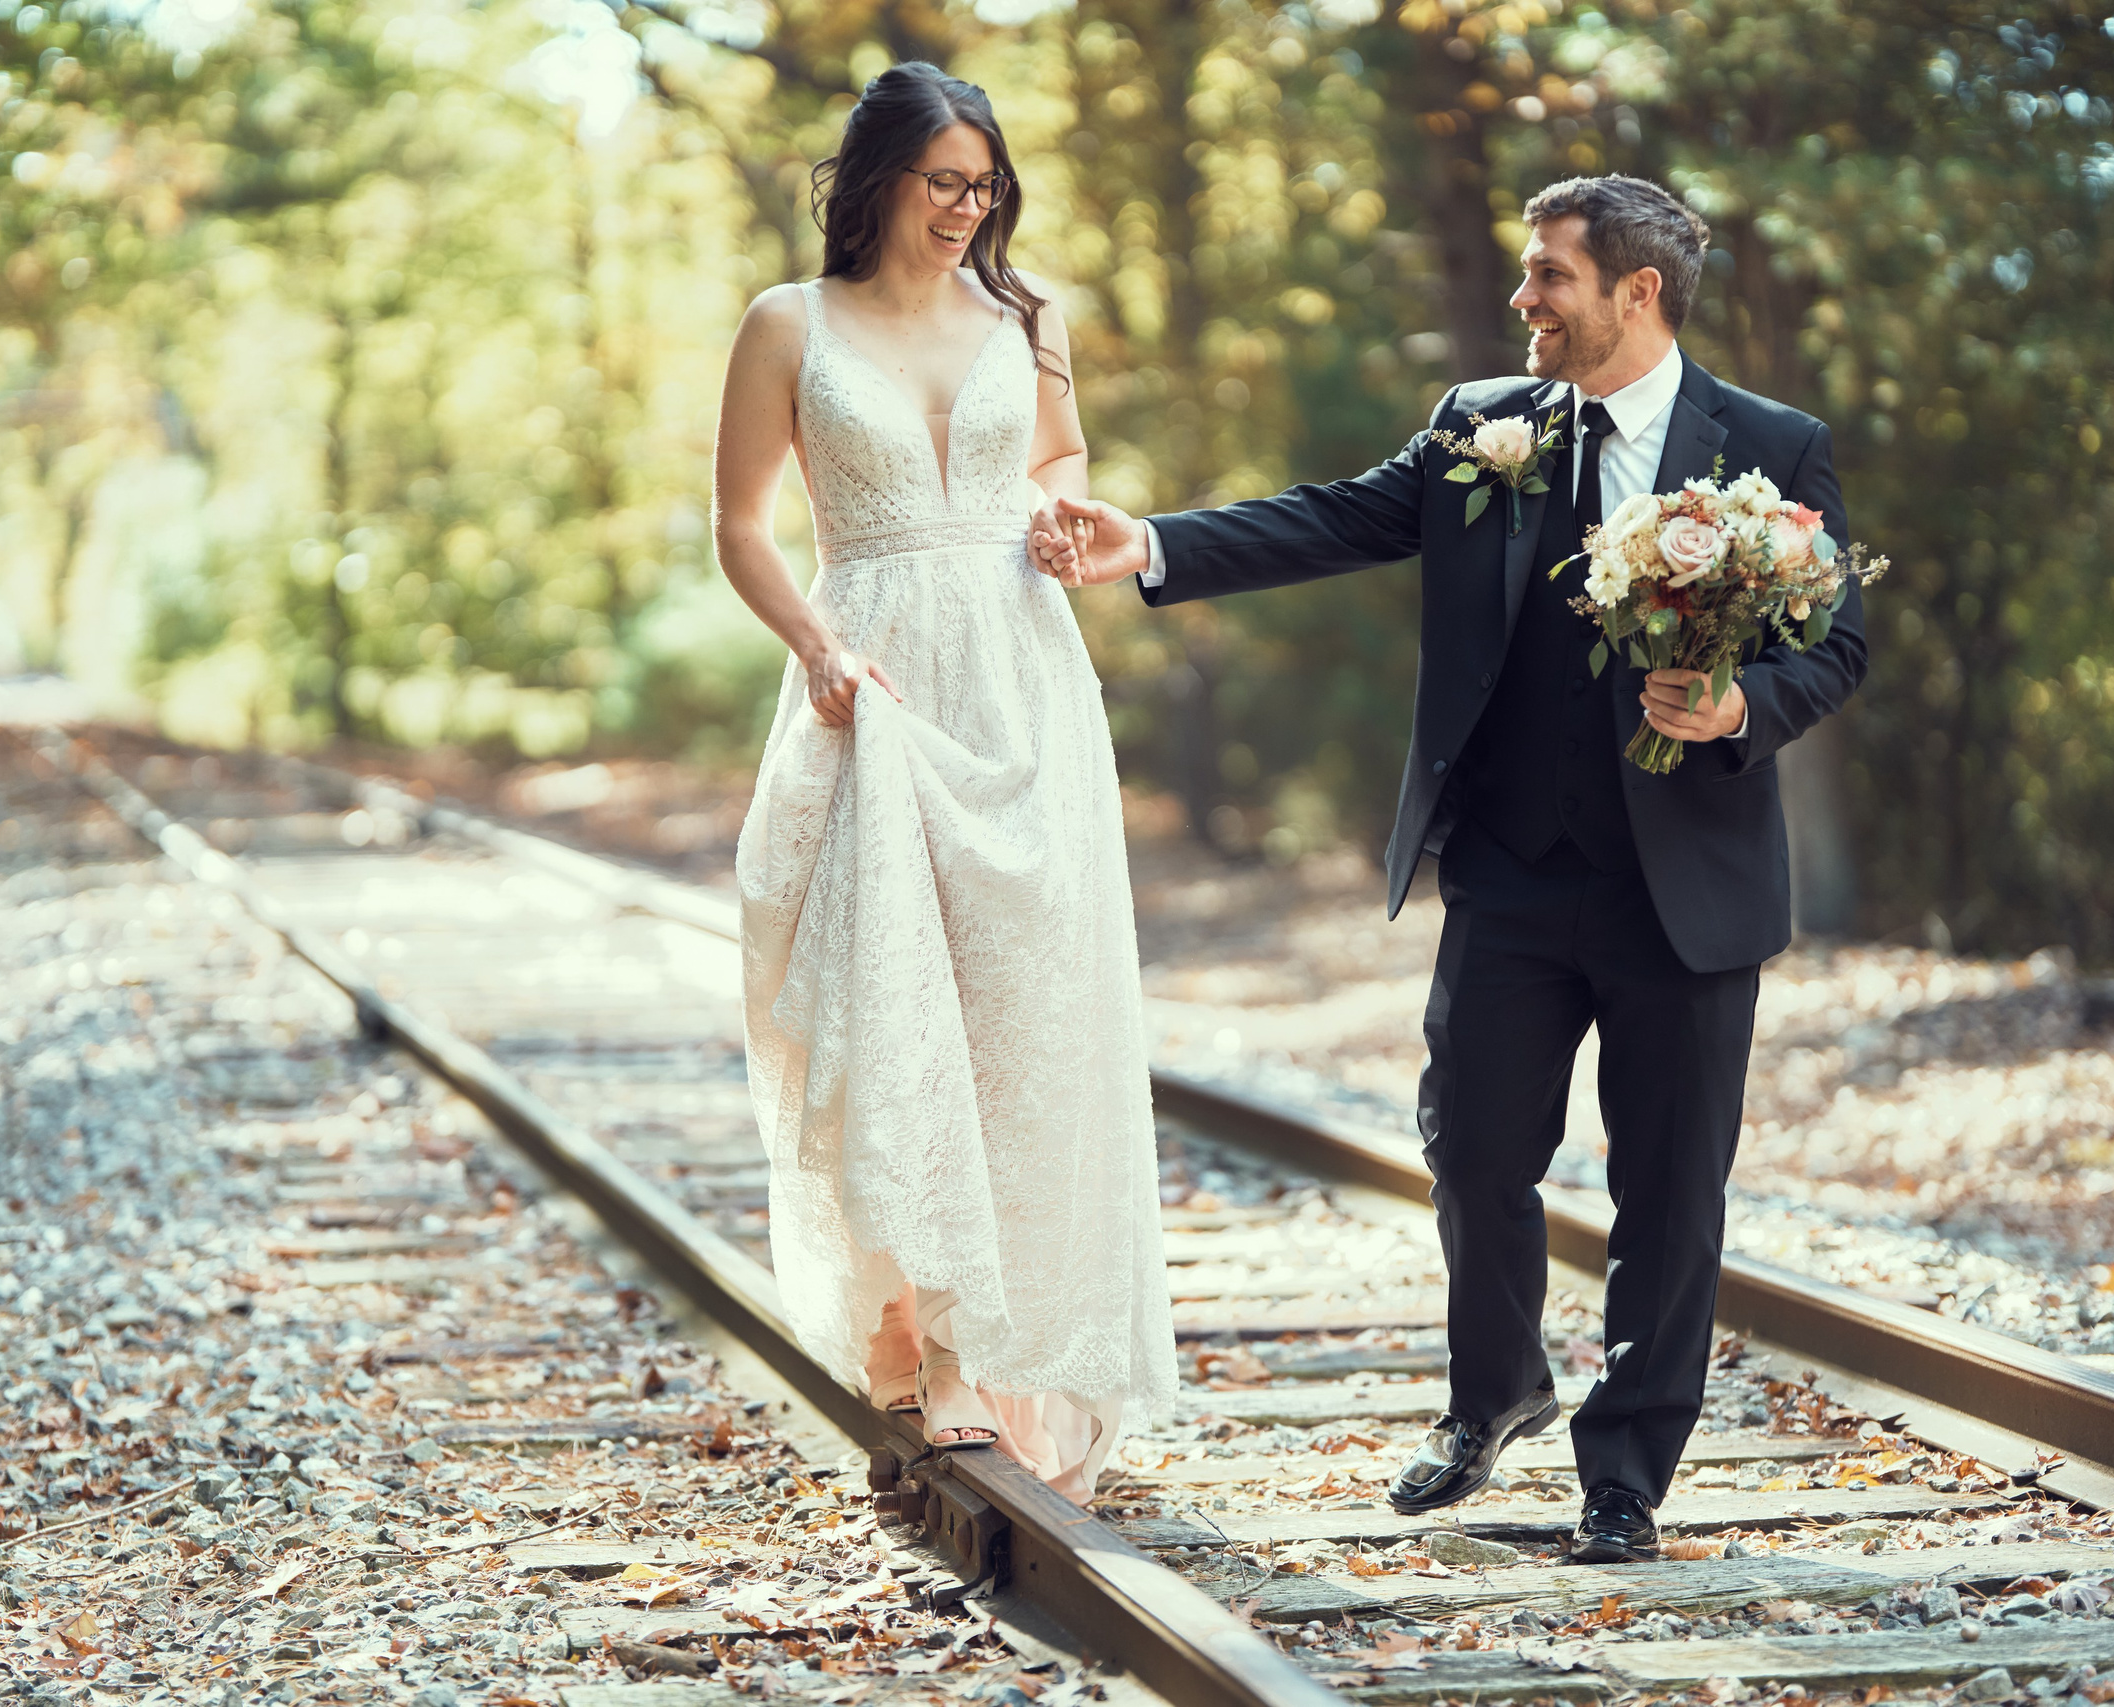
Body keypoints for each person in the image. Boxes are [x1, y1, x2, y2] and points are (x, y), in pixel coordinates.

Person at [1030, 175, 1867, 1561]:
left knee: (1672, 1190)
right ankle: (1496, 1396)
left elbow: (1835, 644)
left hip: (1690, 886)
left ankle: (1624, 1481)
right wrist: (1151, 547)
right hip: (1512, 869)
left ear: (1636, 293)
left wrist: (1738, 712)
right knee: (1470, 1150)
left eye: (1550, 277)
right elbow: (1333, 519)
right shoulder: (1486, 426)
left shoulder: (1772, 447)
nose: (1525, 299)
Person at [711, 62, 1174, 1501]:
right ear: (876, 182)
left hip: (1024, 684)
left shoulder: (1025, 318)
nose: (968, 211)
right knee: (893, 1005)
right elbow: (740, 526)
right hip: (876, 686)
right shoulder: (787, 324)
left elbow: (1058, 459)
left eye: (986, 188)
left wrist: (1053, 516)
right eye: (944, 185)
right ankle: (930, 1345)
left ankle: (1013, 1334)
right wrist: (819, 649)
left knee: (1022, 1015)